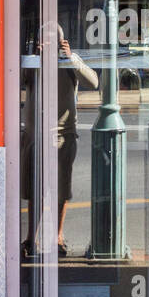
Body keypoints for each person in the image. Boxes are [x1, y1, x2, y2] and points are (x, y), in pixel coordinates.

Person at [21, 23, 98, 257]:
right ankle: (31, 240)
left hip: (62, 135)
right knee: (34, 190)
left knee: (60, 190)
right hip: (35, 135)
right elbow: (20, 79)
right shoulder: (34, 61)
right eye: (45, 39)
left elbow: (93, 82)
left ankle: (57, 237)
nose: (49, 44)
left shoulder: (69, 60)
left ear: (63, 41)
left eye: (54, 39)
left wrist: (69, 56)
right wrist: (36, 58)